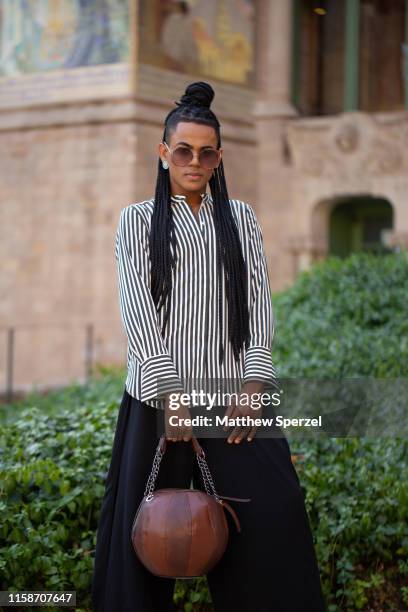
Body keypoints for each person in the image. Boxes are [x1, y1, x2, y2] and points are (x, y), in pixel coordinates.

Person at [91, 81, 327, 612]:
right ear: (163, 152)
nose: (193, 161)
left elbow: (259, 305)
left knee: (277, 510)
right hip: (157, 400)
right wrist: (171, 394)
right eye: (182, 151)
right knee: (149, 533)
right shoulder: (137, 222)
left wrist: (254, 382)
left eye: (205, 152)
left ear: (219, 158)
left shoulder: (241, 220)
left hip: (233, 393)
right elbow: (139, 313)